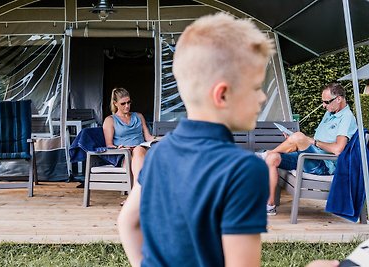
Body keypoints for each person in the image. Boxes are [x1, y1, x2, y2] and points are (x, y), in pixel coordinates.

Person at [118, 13, 339, 267]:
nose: (262, 99)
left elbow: (127, 222)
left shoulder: (157, 154)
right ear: (222, 95)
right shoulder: (244, 170)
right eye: (255, 88)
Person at [265, 83, 357, 216]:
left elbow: (338, 149)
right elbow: (318, 140)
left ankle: (267, 153)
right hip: (309, 159)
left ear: (339, 99)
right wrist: (297, 139)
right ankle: (270, 205)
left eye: (326, 102)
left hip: (324, 165)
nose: (324, 106)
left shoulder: (346, 118)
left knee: (296, 138)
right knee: (273, 159)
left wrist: (309, 141)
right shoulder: (330, 113)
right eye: (323, 102)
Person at [103, 88, 155, 188]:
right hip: (125, 153)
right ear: (115, 103)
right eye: (123, 103)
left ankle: (133, 195)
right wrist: (119, 148)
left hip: (142, 149)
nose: (127, 106)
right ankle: (137, 194)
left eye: (129, 102)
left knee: (139, 149)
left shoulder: (138, 116)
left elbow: (148, 137)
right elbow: (109, 144)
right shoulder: (110, 120)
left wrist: (162, 138)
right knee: (132, 156)